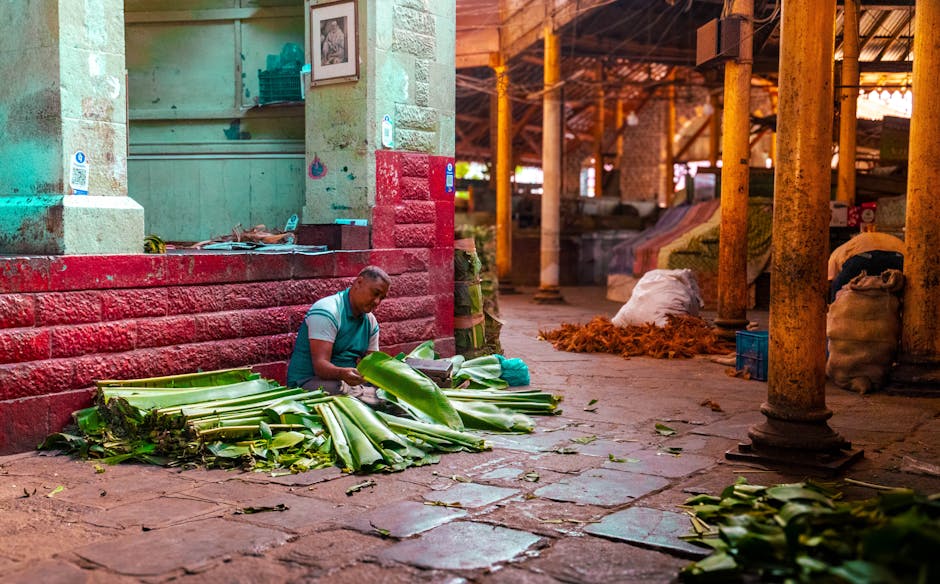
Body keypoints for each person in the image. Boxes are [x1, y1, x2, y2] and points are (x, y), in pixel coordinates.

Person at [286, 266, 390, 394]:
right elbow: (320, 367)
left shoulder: (370, 322)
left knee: (387, 392)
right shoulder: (328, 311)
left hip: (347, 384)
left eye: (382, 298)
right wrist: (342, 373)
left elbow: (372, 364)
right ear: (359, 282)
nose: (377, 301)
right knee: (344, 390)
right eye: (375, 293)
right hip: (308, 382)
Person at [828, 230, 904, 302]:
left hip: (862, 259)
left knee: (837, 292)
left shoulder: (845, 247)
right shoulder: (888, 238)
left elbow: (831, 279)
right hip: (898, 258)